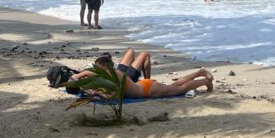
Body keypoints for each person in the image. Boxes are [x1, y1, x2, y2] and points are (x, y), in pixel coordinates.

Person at [73, 49, 213, 99]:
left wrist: (97, 93)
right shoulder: (113, 73)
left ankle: (205, 81)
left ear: (105, 67)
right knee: (175, 86)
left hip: (148, 90)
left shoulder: (114, 77)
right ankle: (200, 72)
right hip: (145, 86)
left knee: (180, 89)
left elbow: (113, 97)